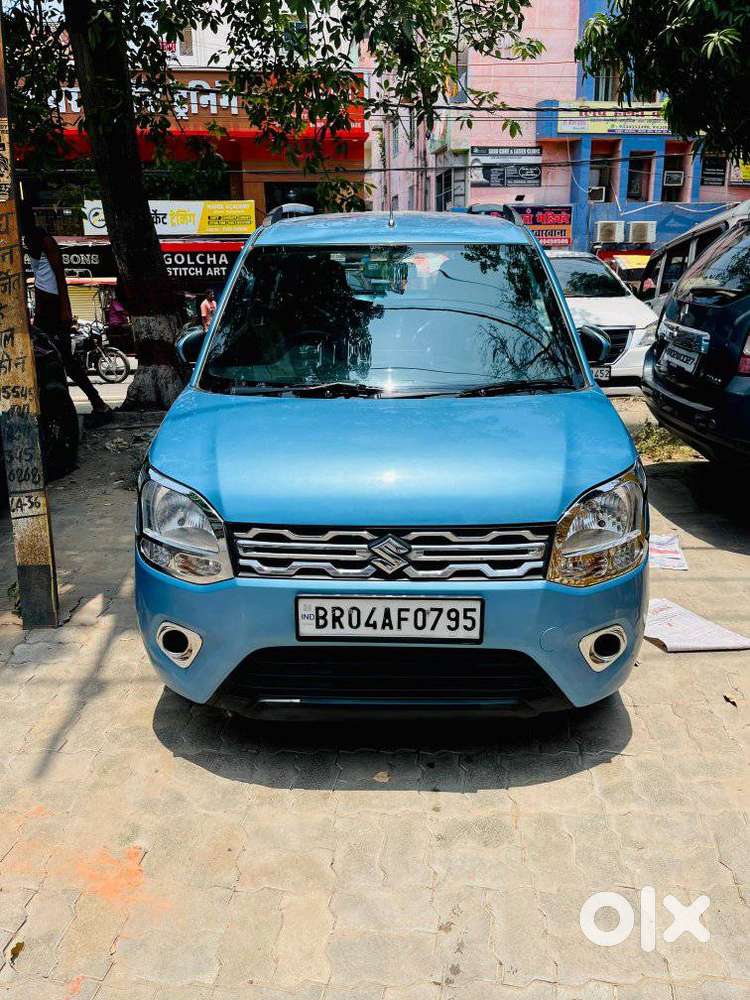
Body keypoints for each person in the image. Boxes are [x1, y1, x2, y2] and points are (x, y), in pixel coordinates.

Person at [20, 203, 112, 424]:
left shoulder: (45, 240)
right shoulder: (28, 240)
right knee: (49, 358)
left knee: (65, 360)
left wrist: (65, 308)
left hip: (52, 302)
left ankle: (98, 403)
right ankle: (73, 405)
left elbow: (59, 275)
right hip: (43, 302)